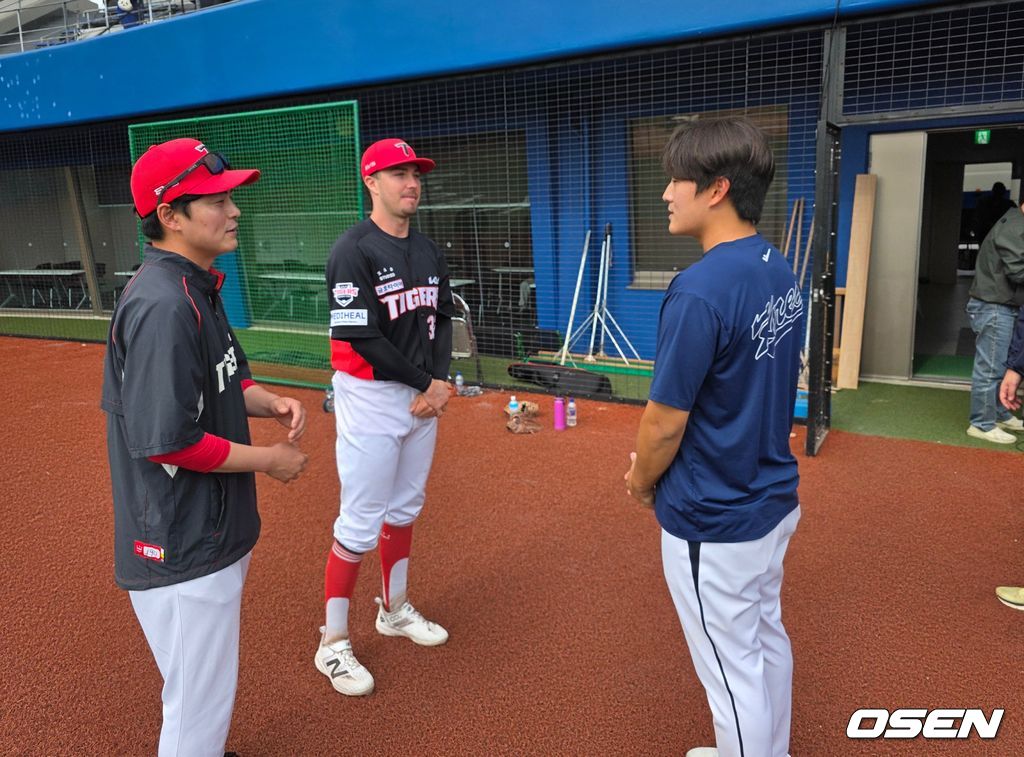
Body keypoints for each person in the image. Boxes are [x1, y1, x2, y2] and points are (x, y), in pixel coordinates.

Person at [101, 138, 309, 756]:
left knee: (199, 693)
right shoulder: (164, 304)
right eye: (218, 199)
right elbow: (168, 441)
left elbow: (225, 377)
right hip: (181, 538)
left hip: (201, 528)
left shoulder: (193, 285)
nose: (235, 209)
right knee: (196, 705)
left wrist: (266, 401)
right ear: (170, 215)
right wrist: (271, 460)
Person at [624, 118, 802, 757]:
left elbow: (665, 420)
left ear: (716, 189)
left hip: (715, 514)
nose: (666, 193)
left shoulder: (698, 289)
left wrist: (642, 483)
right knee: (763, 640)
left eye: (676, 180)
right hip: (771, 496)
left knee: (731, 675)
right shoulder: (776, 265)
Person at [316, 138, 455, 696]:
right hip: (371, 395)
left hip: (423, 396)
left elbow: (441, 318)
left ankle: (393, 609)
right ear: (370, 183)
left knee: (405, 508)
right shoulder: (352, 250)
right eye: (397, 173)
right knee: (360, 519)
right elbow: (360, 335)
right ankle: (332, 644)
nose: (411, 182)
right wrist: (426, 383)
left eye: (415, 172)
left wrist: (437, 383)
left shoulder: (426, 248)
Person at [965, 196, 1024, 444]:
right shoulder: (1015, 225)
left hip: (1001, 305)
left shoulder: (1016, 222)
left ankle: (999, 413)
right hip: (993, 306)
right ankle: (981, 423)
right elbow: (1019, 270)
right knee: (990, 367)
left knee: (1000, 365)